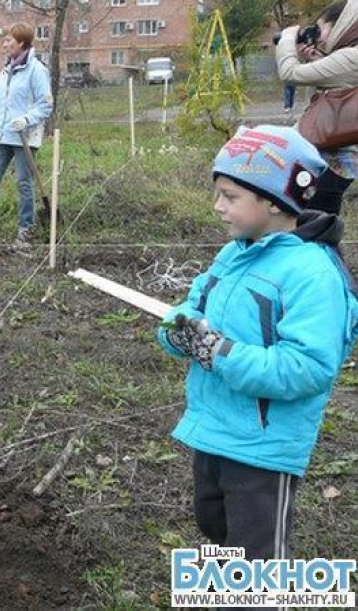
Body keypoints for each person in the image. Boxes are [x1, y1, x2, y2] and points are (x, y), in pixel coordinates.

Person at [157, 125, 358, 566]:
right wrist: (177, 332)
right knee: (215, 528)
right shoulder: (235, 253)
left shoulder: (313, 276)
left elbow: (307, 367)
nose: (218, 207)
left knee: (257, 557)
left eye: (230, 196)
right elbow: (193, 307)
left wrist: (220, 353)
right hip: (214, 430)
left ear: (273, 200)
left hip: (264, 447)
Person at [0, 23, 52, 247]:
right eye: (4, 40)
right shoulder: (6, 70)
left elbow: (46, 106)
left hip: (25, 138)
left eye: (9, 40)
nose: (4, 44)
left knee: (23, 183)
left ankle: (26, 230)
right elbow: (2, 106)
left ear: (22, 43)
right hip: (2, 137)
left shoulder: (37, 70)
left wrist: (26, 119)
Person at [276, 0, 358, 214]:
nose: (317, 37)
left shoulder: (351, 56)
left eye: (320, 29)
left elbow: (289, 73)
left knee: (314, 225)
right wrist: (318, 60)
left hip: (331, 160)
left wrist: (286, 39)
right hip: (336, 161)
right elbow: (339, 82)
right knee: (318, 223)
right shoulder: (350, 55)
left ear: (341, 26)